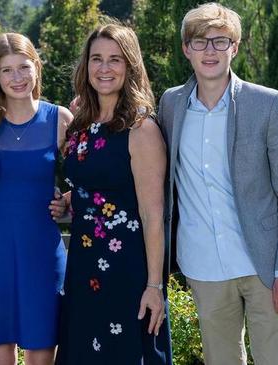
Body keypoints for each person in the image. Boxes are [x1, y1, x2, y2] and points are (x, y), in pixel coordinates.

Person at [157, 3, 278, 364]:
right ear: (186, 49)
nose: (210, 50)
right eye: (200, 41)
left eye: (220, 41)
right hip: (203, 266)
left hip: (266, 266)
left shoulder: (268, 104)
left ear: (235, 48)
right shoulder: (170, 105)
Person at [55, 23, 172, 364]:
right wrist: (69, 198)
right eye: (96, 59)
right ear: (86, 65)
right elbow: (91, 186)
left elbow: (153, 216)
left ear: (130, 66)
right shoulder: (81, 123)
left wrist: (154, 287)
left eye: (115, 60)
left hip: (126, 271)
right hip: (82, 266)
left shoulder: (141, 128)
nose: (104, 68)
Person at [0, 33, 73, 365]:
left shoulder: (60, 119)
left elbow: (90, 178)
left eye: (24, 67)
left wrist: (66, 200)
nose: (17, 78)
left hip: (41, 249)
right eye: (6, 70)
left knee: (41, 350)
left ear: (36, 67)